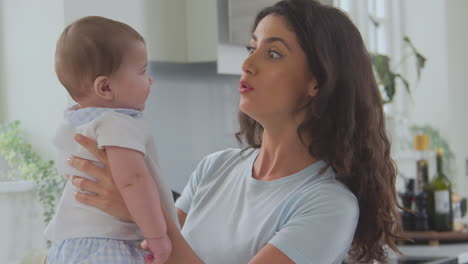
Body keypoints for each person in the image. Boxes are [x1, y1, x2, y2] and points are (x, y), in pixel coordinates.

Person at [66, 0, 403, 263]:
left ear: (317, 81)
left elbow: (167, 243)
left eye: (272, 53)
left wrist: (139, 211)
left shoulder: (328, 205)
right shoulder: (215, 169)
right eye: (251, 47)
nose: (248, 63)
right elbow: (157, 254)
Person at [45, 16, 178, 264]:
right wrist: (158, 237)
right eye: (141, 71)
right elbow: (132, 181)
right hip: (110, 245)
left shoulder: (76, 122)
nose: (150, 80)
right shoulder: (116, 123)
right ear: (105, 87)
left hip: (70, 245)